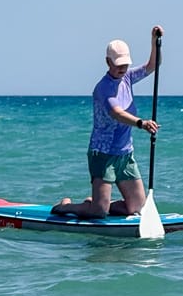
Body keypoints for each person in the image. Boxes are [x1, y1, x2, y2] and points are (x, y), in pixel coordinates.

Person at [51, 25, 163, 218]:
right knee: (99, 212)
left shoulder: (127, 78)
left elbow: (152, 66)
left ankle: (97, 201)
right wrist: (141, 123)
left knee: (136, 209)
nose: (122, 68)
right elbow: (116, 113)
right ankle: (65, 207)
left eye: (125, 64)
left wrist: (154, 41)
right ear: (107, 62)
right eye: (118, 64)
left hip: (125, 154)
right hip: (102, 154)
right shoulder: (103, 88)